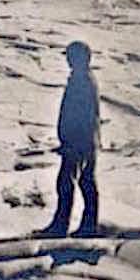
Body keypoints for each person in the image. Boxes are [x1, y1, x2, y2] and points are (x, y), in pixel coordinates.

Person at [36, 41, 100, 237]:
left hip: (79, 142)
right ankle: (86, 225)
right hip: (85, 141)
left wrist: (72, 141)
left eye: (70, 56)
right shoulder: (83, 79)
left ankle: (62, 226)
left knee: (67, 182)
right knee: (84, 182)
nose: (67, 60)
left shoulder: (82, 81)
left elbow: (81, 115)